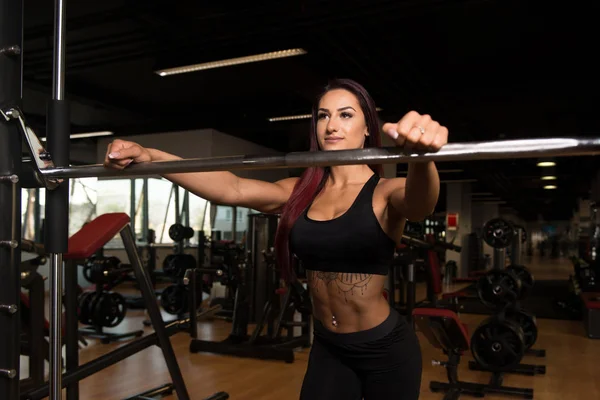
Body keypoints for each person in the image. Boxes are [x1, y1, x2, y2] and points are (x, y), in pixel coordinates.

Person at [104, 78, 448, 399]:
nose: (331, 125)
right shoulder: (299, 191)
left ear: (367, 129)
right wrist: (154, 158)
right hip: (329, 346)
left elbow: (420, 203)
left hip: (384, 348)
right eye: (323, 116)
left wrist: (421, 159)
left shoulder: (385, 192)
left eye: (346, 115)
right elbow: (231, 188)